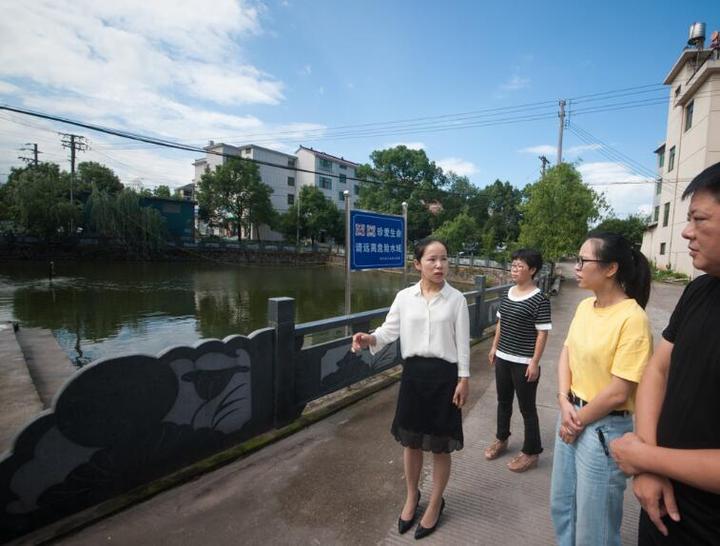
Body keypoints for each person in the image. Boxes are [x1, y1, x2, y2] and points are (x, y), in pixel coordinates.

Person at [610, 162, 720, 545]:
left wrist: (645, 459)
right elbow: (657, 369)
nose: (687, 231)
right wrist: (649, 465)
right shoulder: (700, 291)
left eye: (698, 218)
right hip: (662, 509)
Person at [351, 237, 469, 540]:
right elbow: (388, 331)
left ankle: (435, 502)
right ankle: (412, 496)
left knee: (441, 444)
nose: (440, 265)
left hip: (445, 377)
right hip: (414, 376)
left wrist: (464, 379)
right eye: (432, 259)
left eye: (444, 258)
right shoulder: (404, 297)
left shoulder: (456, 299)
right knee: (412, 442)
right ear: (417, 264)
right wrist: (368, 339)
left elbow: (463, 344)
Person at [550, 232, 653, 546]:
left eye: (583, 260)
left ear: (610, 269)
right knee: (563, 506)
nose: (577, 266)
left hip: (603, 429)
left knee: (595, 530)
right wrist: (563, 401)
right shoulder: (584, 307)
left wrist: (577, 421)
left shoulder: (633, 318)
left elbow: (619, 391)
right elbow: (567, 353)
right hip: (571, 414)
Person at [484, 248, 551, 472]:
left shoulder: (540, 299)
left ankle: (532, 451)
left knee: (527, 408)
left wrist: (534, 362)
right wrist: (494, 347)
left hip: (524, 361)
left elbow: (542, 333)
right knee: (503, 403)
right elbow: (501, 324)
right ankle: (501, 439)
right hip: (503, 357)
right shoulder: (508, 293)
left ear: (532, 270)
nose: (514, 269)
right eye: (513, 265)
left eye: (520, 266)